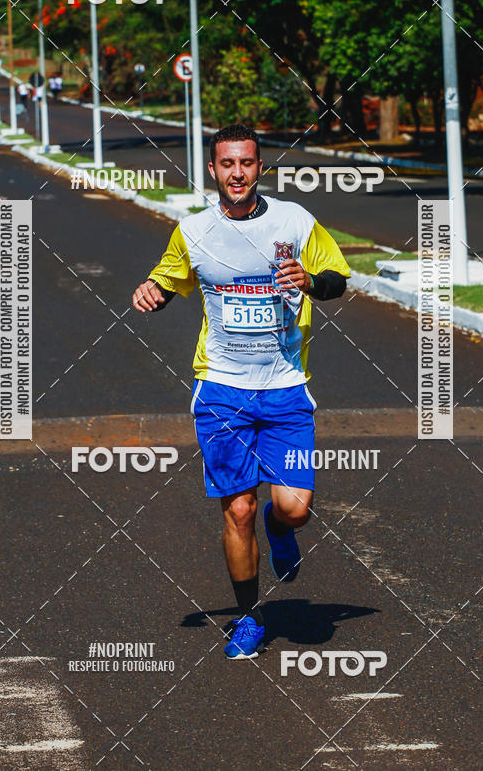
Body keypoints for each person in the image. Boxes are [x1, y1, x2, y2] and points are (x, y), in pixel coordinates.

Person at [132, 123, 350, 660]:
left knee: (294, 508)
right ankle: (250, 618)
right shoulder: (193, 231)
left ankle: (282, 531)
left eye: (246, 163)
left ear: (259, 167)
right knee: (238, 510)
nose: (237, 173)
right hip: (222, 390)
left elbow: (338, 279)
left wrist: (310, 282)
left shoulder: (294, 222)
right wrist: (152, 292)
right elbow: (168, 279)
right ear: (212, 169)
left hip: (286, 388)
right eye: (227, 164)